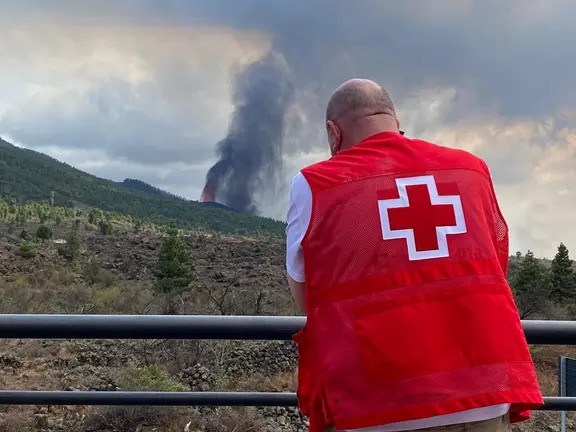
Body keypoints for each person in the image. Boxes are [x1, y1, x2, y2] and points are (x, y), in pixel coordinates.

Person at [285, 79, 543, 432]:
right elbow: (495, 264)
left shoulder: (314, 184)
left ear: (333, 133)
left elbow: (306, 297)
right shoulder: (471, 170)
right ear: (392, 120)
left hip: (378, 401)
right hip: (483, 390)